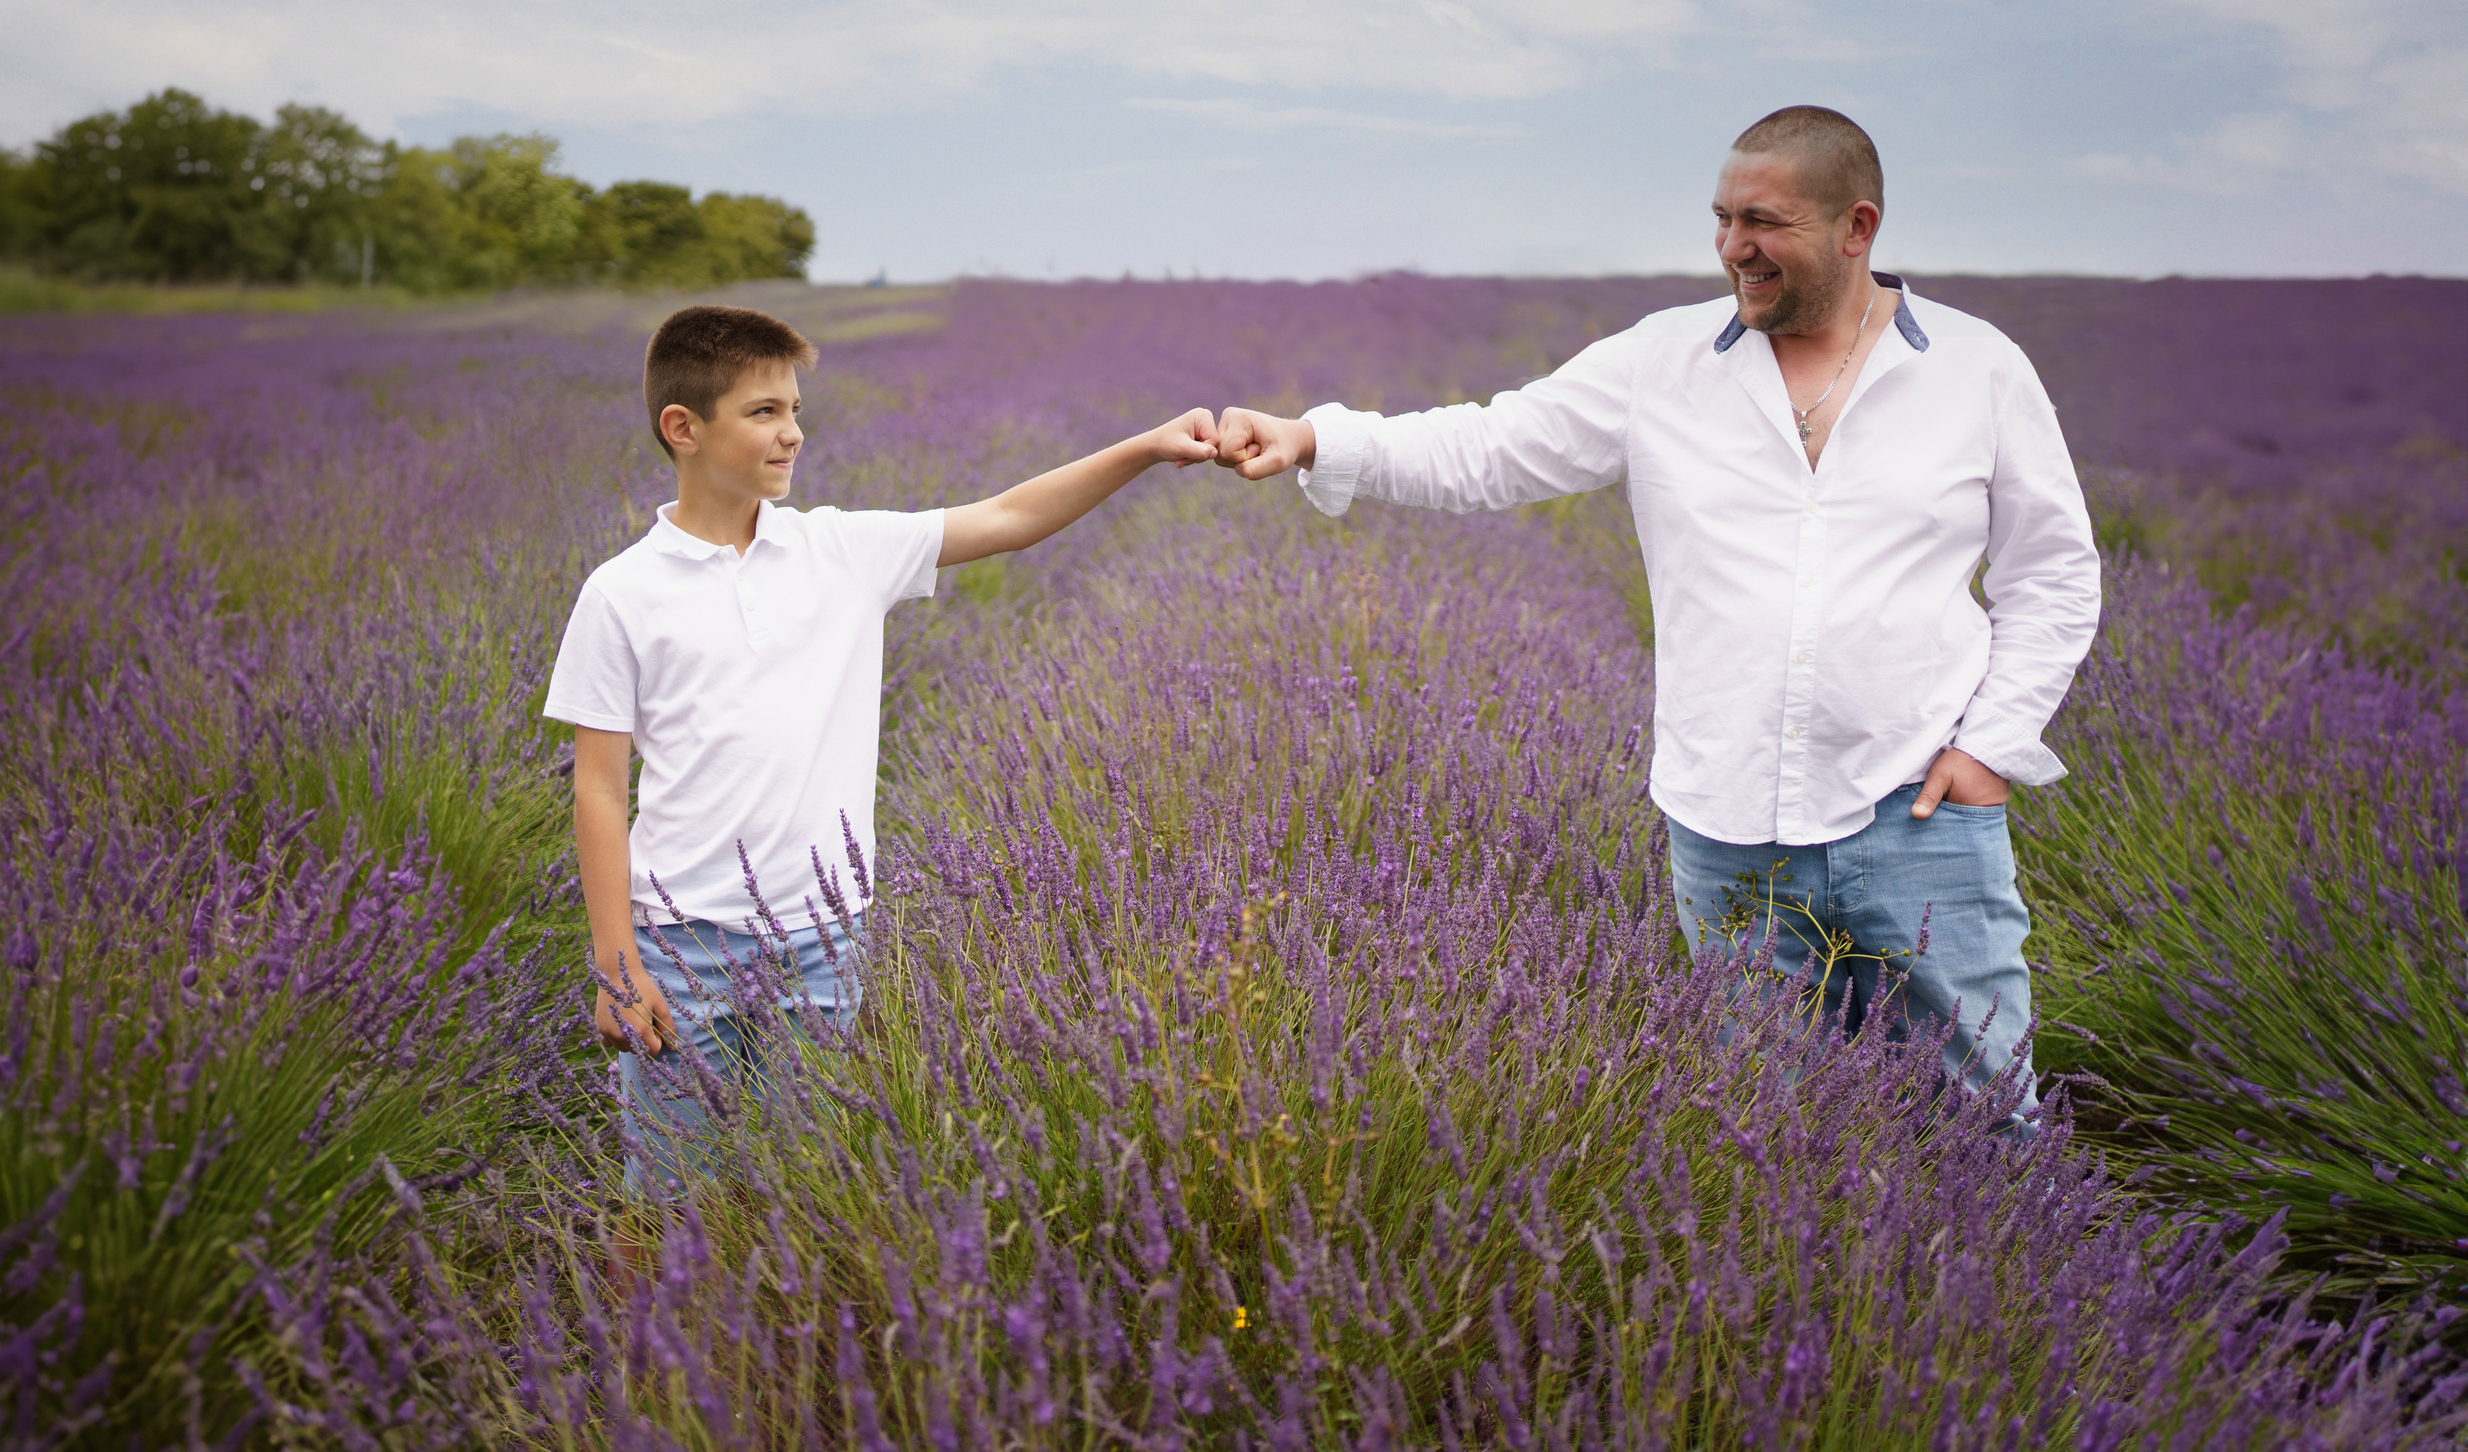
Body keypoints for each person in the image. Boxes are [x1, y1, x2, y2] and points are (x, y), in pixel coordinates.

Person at [1213, 106, 2100, 1120]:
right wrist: (1314, 439)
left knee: (1986, 1117)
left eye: (1762, 222)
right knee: (1770, 1137)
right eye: (1721, 219)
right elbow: (1491, 449)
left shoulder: (1977, 370)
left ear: (1857, 228)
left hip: (1918, 813)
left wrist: (1991, 745)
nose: (1733, 249)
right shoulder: (1660, 363)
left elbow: (2053, 573)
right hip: (1728, 832)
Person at [543, 304, 1219, 1194]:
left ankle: (776, 1340)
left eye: (794, 410)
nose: (792, 433)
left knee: (805, 1192)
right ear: (684, 428)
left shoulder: (843, 550)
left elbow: (1011, 515)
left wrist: (1144, 447)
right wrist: (618, 964)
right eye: (763, 413)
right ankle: (641, 1339)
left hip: (824, 938)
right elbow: (598, 790)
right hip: (681, 941)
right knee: (668, 1195)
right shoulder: (622, 592)